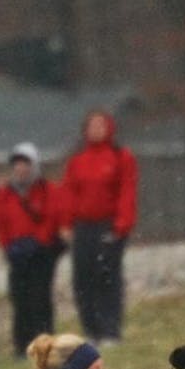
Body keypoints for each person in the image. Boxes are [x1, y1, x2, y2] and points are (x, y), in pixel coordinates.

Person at [60, 109, 138, 345]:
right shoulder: (77, 160)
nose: (96, 130)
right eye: (92, 125)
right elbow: (69, 193)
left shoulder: (120, 157)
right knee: (83, 278)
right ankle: (91, 330)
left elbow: (127, 192)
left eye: (100, 125)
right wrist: (66, 223)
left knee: (107, 277)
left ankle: (110, 330)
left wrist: (121, 225)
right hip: (83, 226)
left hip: (108, 225)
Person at [0, 142, 64, 358]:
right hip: (17, 254)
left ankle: (45, 347)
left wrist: (39, 242)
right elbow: (0, 222)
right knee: (20, 301)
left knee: (41, 300)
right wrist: (8, 246)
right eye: (17, 165)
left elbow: (53, 216)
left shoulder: (47, 189)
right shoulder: (5, 193)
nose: (21, 169)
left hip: (41, 253)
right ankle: (22, 346)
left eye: (25, 164)